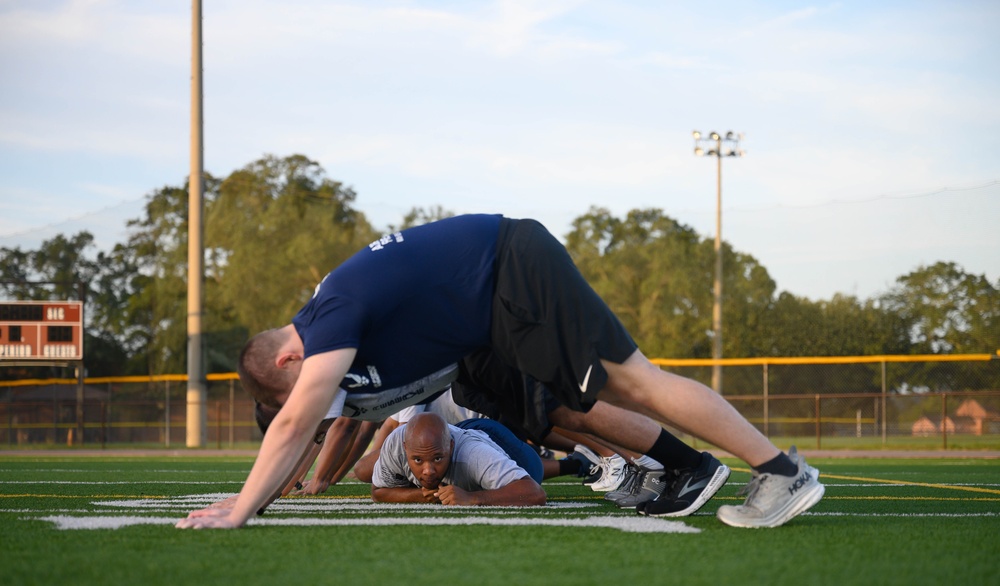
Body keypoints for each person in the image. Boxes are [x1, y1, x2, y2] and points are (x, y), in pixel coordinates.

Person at [177, 214, 823, 530]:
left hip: (510, 268)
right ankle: (688, 465)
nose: (316, 398)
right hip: (480, 324)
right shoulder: (330, 333)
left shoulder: (330, 313)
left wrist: (238, 512)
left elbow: (296, 419)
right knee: (560, 408)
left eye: (301, 385)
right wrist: (255, 498)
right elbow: (309, 425)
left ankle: (782, 472)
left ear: (290, 357)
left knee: (631, 379)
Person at [370, 412, 546, 506]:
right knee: (363, 469)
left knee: (534, 471)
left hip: (494, 439)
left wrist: (473, 498)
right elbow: (378, 492)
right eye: (417, 460)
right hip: (454, 432)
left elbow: (535, 493)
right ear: (405, 448)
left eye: (437, 459)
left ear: (451, 447)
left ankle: (570, 463)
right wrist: (421, 495)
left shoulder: (474, 454)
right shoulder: (395, 444)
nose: (428, 470)